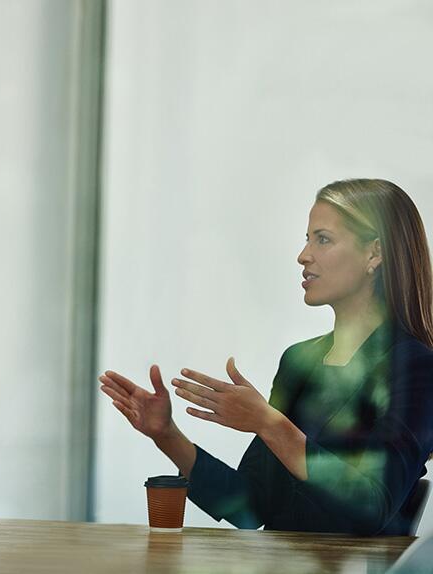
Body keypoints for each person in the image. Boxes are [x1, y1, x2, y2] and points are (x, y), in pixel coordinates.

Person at [99, 179, 433, 535]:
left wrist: (269, 423)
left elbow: (372, 505)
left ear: (374, 254)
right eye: (307, 240)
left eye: (322, 239)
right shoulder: (299, 361)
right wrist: (167, 434)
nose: (303, 256)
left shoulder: (415, 367)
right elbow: (250, 505)